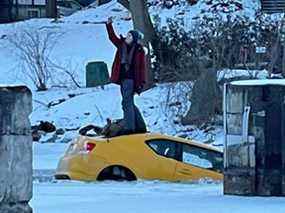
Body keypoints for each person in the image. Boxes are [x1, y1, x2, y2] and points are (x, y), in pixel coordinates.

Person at [105, 17, 147, 135]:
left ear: (133, 39)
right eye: (127, 35)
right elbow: (112, 38)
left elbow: (141, 69)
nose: (127, 37)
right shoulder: (121, 45)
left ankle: (130, 127)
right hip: (122, 79)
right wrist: (109, 26)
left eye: (130, 36)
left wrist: (140, 85)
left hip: (131, 80)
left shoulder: (139, 51)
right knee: (129, 103)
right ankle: (140, 125)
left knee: (126, 103)